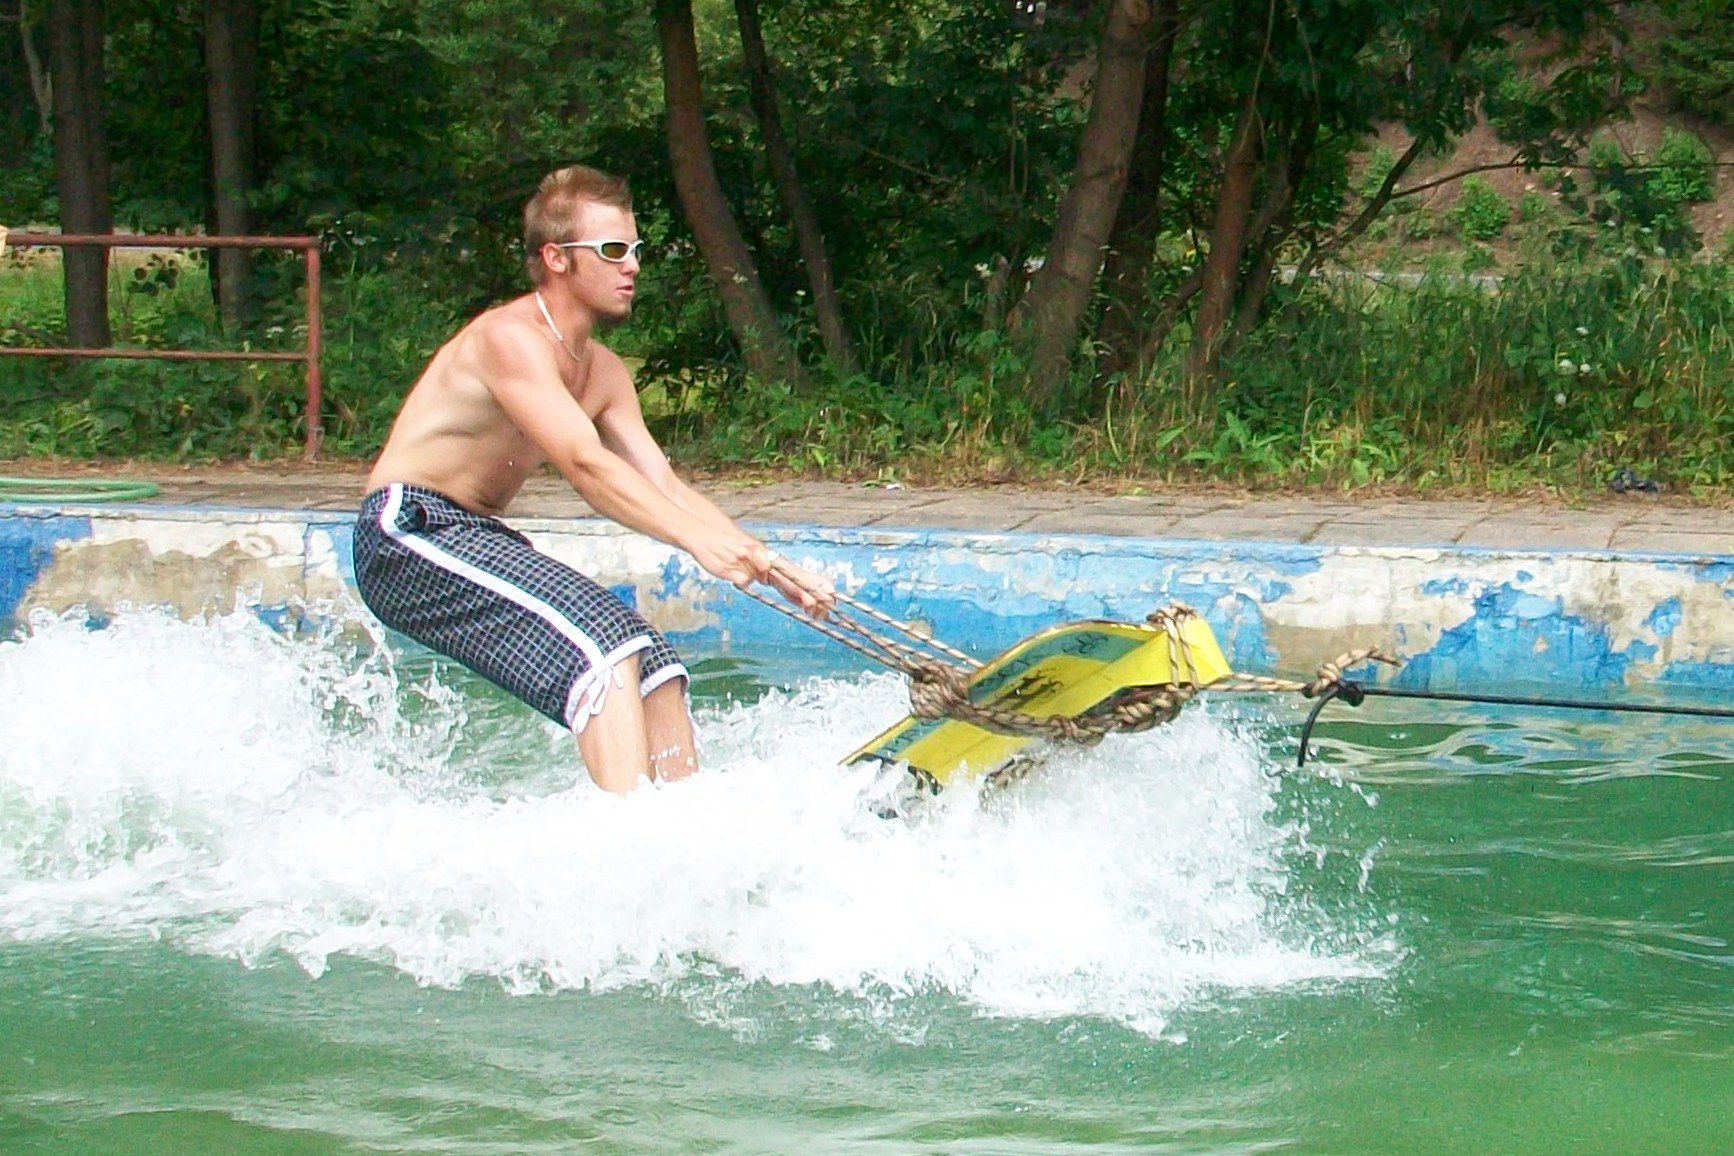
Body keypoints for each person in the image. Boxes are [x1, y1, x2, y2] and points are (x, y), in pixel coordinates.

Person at [352, 164, 833, 794]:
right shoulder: (509, 339)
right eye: (611, 251)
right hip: (406, 534)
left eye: (634, 249)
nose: (631, 266)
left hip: (474, 534)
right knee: (604, 651)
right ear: (556, 258)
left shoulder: (604, 372)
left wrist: (768, 564)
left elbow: (663, 485)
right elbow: (584, 464)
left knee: (655, 666)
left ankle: (685, 822)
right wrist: (698, 543)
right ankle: (626, 833)